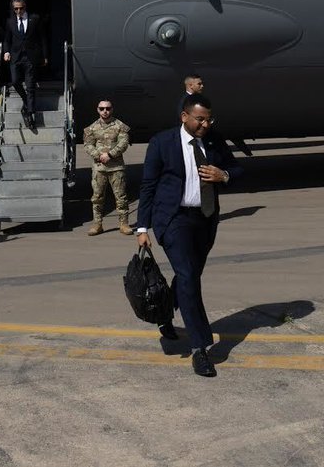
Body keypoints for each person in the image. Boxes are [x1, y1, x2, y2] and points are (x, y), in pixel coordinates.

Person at [136, 94, 241, 377]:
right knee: (188, 277)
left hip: (205, 219)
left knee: (189, 275)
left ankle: (164, 314)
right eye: (200, 119)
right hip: (172, 219)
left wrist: (224, 176)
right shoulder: (162, 143)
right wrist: (142, 227)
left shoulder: (215, 140)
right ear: (184, 117)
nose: (205, 124)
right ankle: (200, 349)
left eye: (209, 119)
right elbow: (148, 186)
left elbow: (238, 169)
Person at [83, 99, 132, 236]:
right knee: (97, 197)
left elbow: (124, 143)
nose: (105, 111)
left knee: (121, 197)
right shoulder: (91, 128)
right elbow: (88, 145)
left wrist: (110, 154)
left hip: (116, 167)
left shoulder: (120, 126)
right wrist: (99, 156)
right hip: (99, 168)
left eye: (108, 108)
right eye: (102, 108)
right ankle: (97, 224)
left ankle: (124, 223)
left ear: (112, 109)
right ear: (98, 110)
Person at [1, 0, 48, 130]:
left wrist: (45, 56)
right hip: (16, 57)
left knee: (30, 86)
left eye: (20, 9)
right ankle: (26, 101)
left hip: (30, 57)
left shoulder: (35, 19)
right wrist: (6, 52)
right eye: (16, 9)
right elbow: (7, 39)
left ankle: (30, 114)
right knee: (15, 81)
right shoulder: (10, 22)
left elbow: (42, 38)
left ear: (25, 7)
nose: (18, 12)